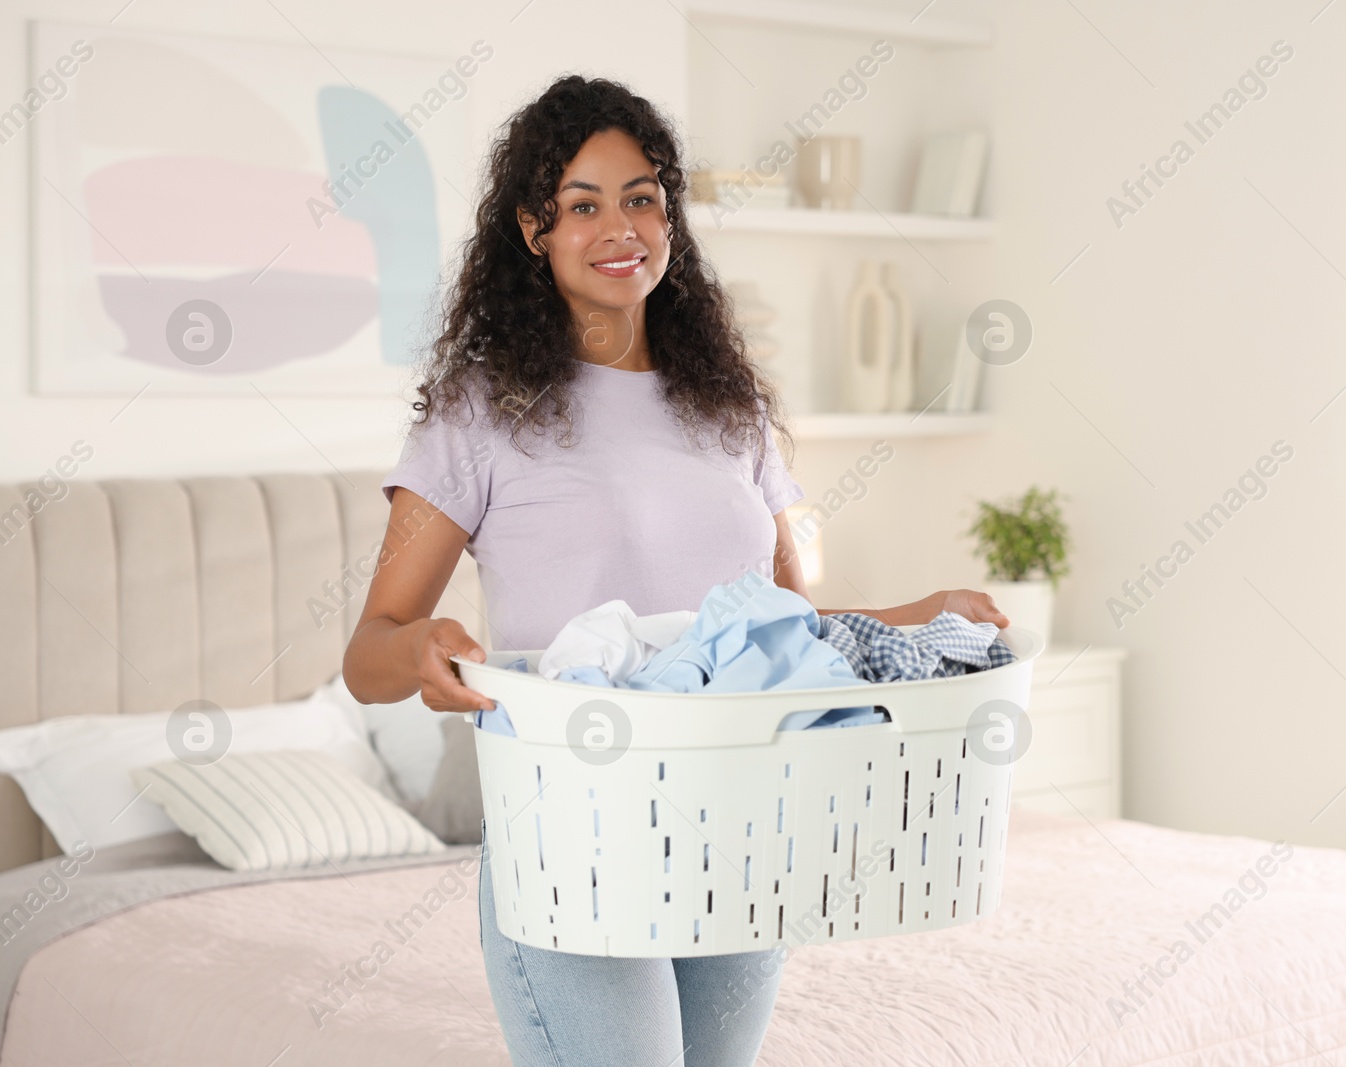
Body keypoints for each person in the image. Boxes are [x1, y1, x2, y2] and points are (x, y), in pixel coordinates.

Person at [342, 73, 1010, 1067]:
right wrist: (427, 645)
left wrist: (920, 613)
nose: (621, 226)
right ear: (534, 229)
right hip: (574, 835)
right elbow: (369, 654)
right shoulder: (477, 414)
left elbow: (778, 632)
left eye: (642, 196)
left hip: (744, 827)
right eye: (582, 203)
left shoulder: (729, 407)